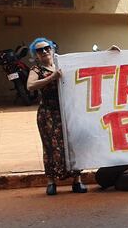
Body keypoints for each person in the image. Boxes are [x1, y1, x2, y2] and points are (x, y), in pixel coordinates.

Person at [26, 37, 88, 195]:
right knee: (51, 147)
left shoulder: (64, 65)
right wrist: (51, 78)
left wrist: (111, 54)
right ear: (36, 55)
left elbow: (89, 65)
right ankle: (51, 182)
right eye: (40, 50)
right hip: (48, 113)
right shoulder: (37, 70)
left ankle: (77, 180)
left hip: (67, 111)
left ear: (53, 49)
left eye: (47, 48)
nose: (45, 51)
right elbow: (30, 86)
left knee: (74, 144)